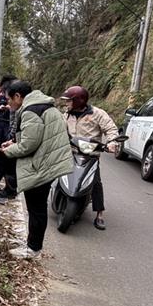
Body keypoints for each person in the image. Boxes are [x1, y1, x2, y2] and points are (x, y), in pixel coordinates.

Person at [0, 81, 73, 260]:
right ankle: (33, 247)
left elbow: (28, 145)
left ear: (18, 96)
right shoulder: (43, 106)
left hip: (42, 164)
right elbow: (35, 136)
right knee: (38, 207)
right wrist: (14, 143)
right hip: (48, 161)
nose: (8, 103)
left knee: (4, 159)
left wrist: (9, 148)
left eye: (9, 99)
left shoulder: (31, 110)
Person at [61, 85, 119, 231]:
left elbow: (111, 129)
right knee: (55, 171)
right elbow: (60, 127)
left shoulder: (97, 113)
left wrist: (112, 142)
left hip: (90, 154)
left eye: (69, 100)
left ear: (79, 100)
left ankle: (99, 214)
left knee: (95, 182)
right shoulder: (67, 113)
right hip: (71, 151)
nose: (66, 103)